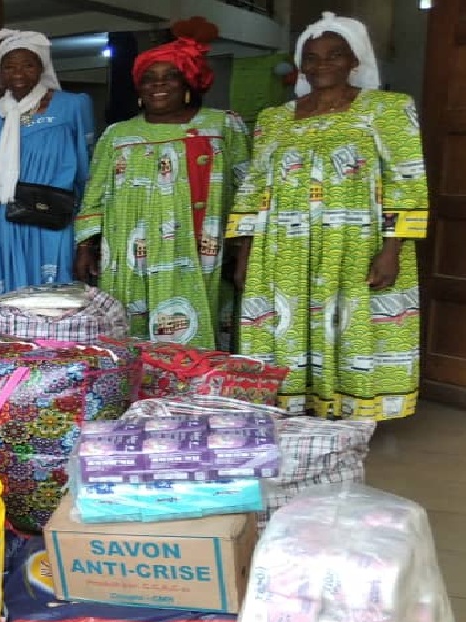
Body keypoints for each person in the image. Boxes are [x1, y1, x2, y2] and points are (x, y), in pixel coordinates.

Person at [228, 12, 428, 422]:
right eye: (312, 57)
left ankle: (348, 410)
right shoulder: (273, 119)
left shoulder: (388, 109)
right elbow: (253, 187)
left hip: (354, 245)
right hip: (282, 246)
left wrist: (392, 249)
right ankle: (295, 406)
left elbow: (406, 180)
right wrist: (245, 252)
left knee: (349, 321)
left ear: (355, 60)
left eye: (335, 55)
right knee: (285, 320)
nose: (322, 65)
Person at [73, 22, 248, 347]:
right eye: (149, 80)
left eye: (170, 76)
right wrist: (85, 246)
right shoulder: (117, 135)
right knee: (130, 330)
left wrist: (245, 251)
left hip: (199, 253)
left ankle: (193, 394)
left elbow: (245, 189)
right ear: (139, 90)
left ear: (187, 83)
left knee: (197, 328)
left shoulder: (222, 125)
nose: (158, 85)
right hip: (129, 254)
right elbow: (93, 194)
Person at [0, 29, 95, 304]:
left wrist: (86, 234)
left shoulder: (72, 106)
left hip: (51, 215)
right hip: (0, 219)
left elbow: (88, 167)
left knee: (54, 295)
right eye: (9, 66)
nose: (18, 72)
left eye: (28, 64)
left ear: (42, 67)